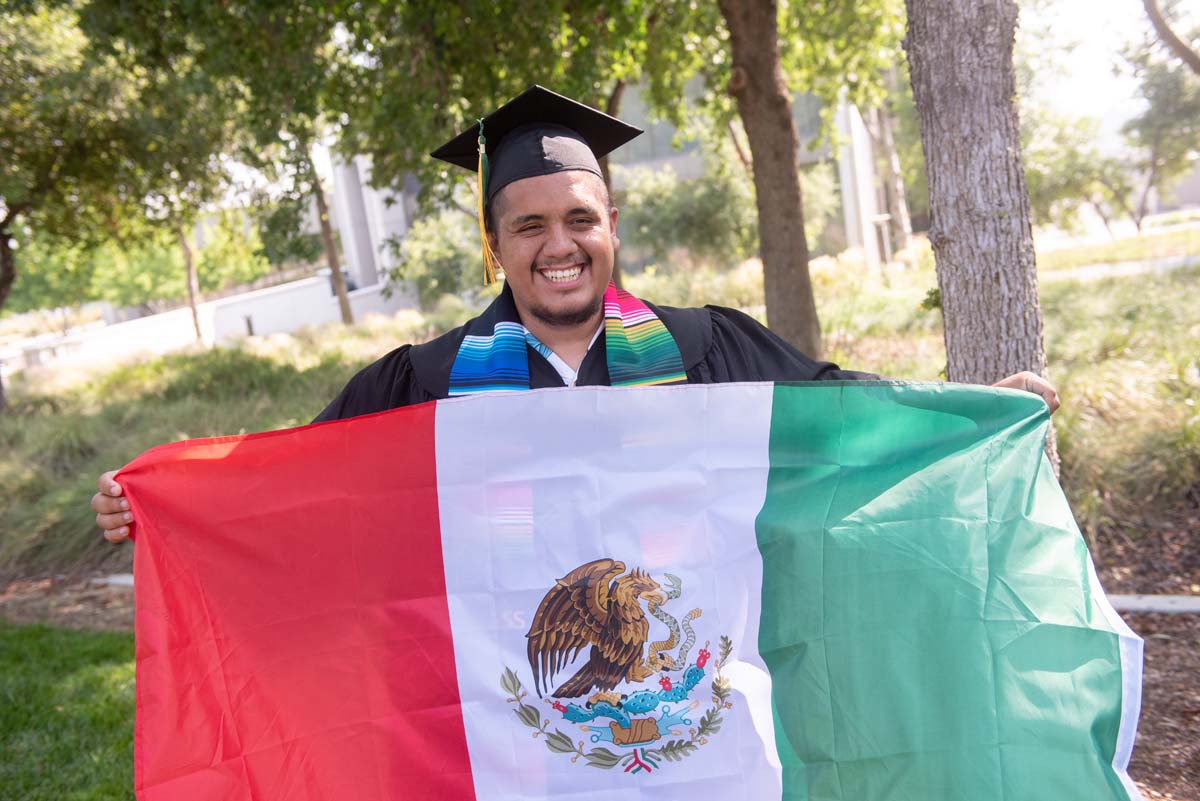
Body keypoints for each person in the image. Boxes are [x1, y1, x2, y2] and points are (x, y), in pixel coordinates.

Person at [92, 85, 1059, 542]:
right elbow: (294, 485)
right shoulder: (422, 382)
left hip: (689, 681)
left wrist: (977, 410)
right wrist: (162, 500)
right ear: (496, 242)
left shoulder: (702, 346)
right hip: (498, 704)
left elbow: (841, 416)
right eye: (530, 226)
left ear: (612, 224)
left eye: (580, 219)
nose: (559, 245)